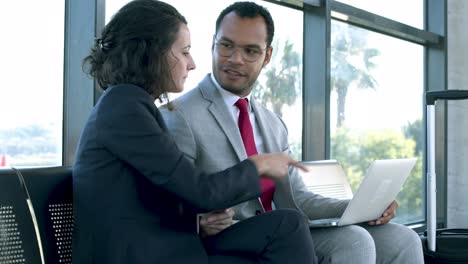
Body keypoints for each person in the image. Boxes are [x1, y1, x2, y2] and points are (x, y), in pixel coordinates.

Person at [160, 1, 424, 263]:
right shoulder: (179, 115)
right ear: (213, 43)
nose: (235, 59)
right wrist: (197, 221)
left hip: (285, 231)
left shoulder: (273, 123)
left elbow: (298, 198)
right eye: (226, 45)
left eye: (250, 51)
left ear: (267, 56)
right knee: (354, 241)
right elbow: (165, 199)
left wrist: (360, 209)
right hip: (228, 238)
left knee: (404, 240)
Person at [72, 0, 319, 263]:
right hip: (143, 255)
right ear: (154, 53)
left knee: (285, 226)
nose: (191, 63)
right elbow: (201, 191)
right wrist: (258, 165)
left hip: (164, 245)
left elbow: (155, 195)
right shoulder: (124, 106)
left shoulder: (131, 104)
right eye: (185, 52)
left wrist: (197, 222)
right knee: (285, 230)